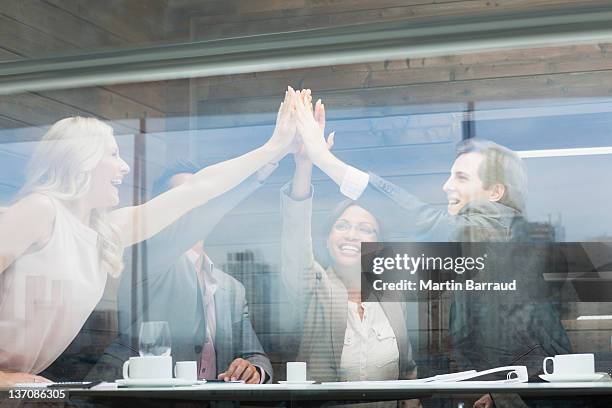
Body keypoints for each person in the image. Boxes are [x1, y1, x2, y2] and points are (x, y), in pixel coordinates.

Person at [0, 87, 297, 386]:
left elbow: (199, 189)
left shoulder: (107, 232)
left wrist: (273, 148)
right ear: (81, 159)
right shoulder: (39, 210)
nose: (125, 167)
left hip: (27, 386)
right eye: (113, 154)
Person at [293, 91, 571, 408]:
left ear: (494, 192)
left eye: (461, 177)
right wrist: (497, 395)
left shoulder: (496, 228)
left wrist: (323, 158)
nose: (446, 186)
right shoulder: (483, 246)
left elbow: (421, 219)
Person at [89, 160, 273, 384]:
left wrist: (252, 369)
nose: (192, 206)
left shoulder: (232, 289)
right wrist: (256, 176)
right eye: (182, 199)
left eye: (199, 198)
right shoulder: (147, 259)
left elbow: (255, 356)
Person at [281, 91, 418, 385]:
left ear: (377, 245)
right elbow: (294, 241)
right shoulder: (313, 288)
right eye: (342, 225)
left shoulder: (392, 297)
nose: (352, 234)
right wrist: (305, 165)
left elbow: (407, 371)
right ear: (328, 238)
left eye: (365, 229)